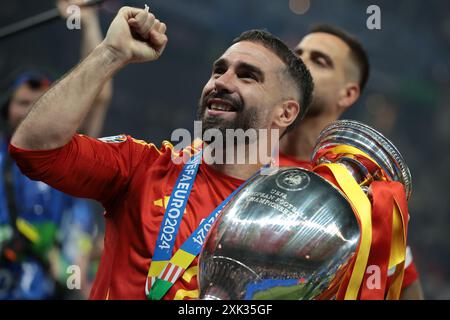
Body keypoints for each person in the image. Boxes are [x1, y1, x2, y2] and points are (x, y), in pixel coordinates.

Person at [8, 6, 314, 300]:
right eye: (219, 70)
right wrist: (110, 54)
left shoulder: (285, 227)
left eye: (247, 76)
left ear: (285, 113)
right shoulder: (141, 166)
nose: (221, 82)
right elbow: (34, 148)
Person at [279, 24, 424, 299]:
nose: (300, 63)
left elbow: (407, 288)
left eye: (319, 61)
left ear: (348, 94)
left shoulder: (361, 190)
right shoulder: (246, 156)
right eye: (298, 54)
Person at [0, 0, 112, 299]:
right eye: (23, 104)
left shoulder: (62, 155)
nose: (30, 113)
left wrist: (87, 21)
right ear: (5, 109)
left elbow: (98, 93)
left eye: (38, 105)